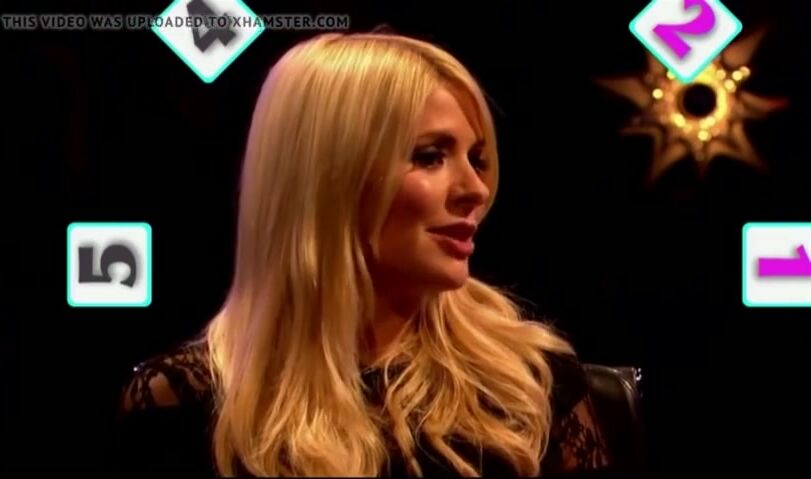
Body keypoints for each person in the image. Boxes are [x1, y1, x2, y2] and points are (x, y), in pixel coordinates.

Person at [110, 30, 612, 477]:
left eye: (476, 159)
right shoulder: (184, 402)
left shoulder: (532, 382)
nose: (475, 189)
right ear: (330, 178)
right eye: (431, 156)